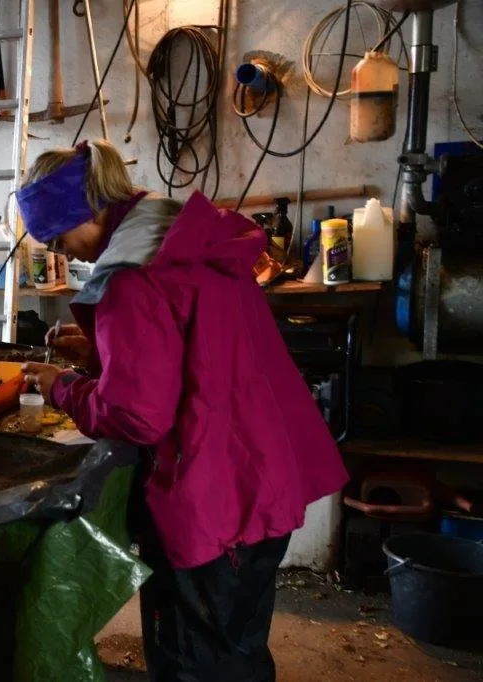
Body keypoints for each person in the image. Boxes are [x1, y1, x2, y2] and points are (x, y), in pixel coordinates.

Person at [18, 140, 348, 681]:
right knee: (236, 645)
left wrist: (64, 388)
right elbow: (192, 347)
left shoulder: (129, 275)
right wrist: (104, 349)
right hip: (261, 470)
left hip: (212, 493)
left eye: (59, 237)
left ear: (89, 211)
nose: (63, 252)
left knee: (195, 659)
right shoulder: (182, 235)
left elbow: (136, 415)